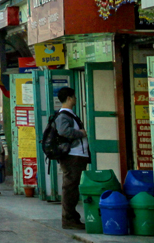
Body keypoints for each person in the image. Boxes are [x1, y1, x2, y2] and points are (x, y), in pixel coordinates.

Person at [53, 87, 90, 230]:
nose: (75, 99)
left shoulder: (69, 114)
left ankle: (72, 217)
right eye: (74, 96)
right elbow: (63, 131)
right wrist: (81, 133)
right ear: (69, 98)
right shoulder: (64, 115)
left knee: (72, 187)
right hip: (72, 155)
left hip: (77, 155)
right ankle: (69, 218)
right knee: (70, 187)